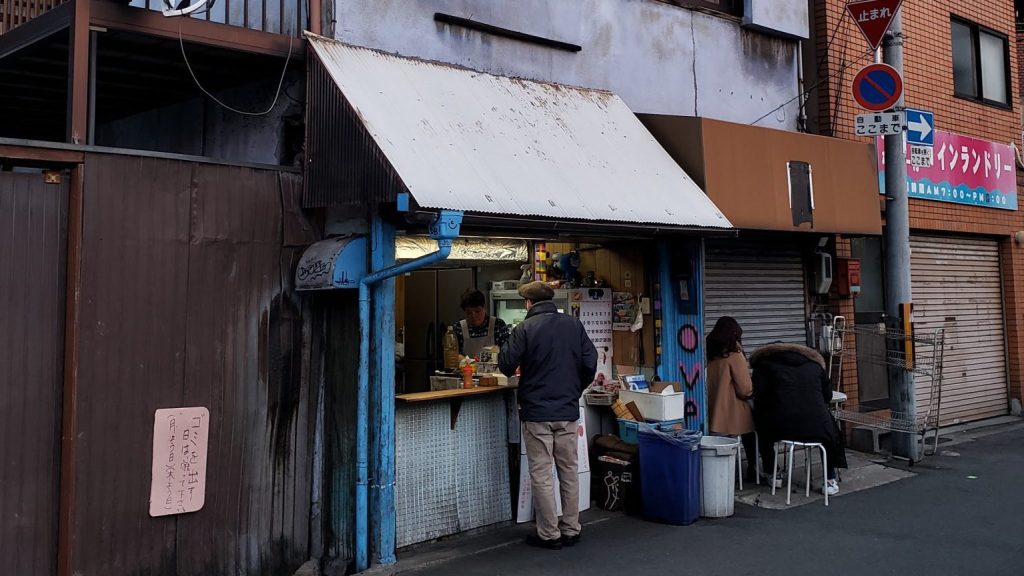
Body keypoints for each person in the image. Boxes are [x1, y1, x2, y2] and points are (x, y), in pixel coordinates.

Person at [499, 281, 598, 550]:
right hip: (567, 410)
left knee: (541, 474)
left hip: (537, 412)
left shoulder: (525, 328)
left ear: (528, 303)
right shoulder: (573, 325)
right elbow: (590, 361)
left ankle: (549, 533)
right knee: (569, 471)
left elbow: (506, 365)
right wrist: (575, 388)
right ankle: (571, 528)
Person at [750, 342, 848, 496]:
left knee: (763, 429)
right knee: (828, 432)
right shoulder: (815, 367)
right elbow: (827, 396)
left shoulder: (763, 367)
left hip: (781, 426)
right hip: (816, 425)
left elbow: (759, 397)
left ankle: (773, 473)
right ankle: (829, 480)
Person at [705, 316, 761, 483]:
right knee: (752, 431)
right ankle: (754, 468)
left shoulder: (710, 353)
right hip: (733, 409)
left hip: (714, 408)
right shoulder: (734, 355)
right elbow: (745, 388)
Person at [453, 289, 510, 358]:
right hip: (467, 368)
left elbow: (507, 354)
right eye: (469, 313)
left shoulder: (498, 325)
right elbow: (453, 356)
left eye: (477, 311)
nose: (473, 316)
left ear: (484, 307)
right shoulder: (459, 328)